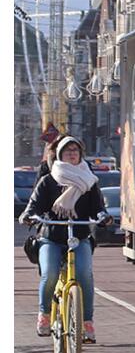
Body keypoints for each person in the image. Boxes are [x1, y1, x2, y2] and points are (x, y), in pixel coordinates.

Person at [21, 136, 108, 342]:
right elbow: (34, 206)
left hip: (79, 236)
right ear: (60, 154)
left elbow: (98, 208)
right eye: (67, 150)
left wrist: (103, 216)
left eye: (75, 150)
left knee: (85, 275)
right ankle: (44, 315)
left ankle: (87, 322)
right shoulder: (49, 180)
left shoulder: (89, 180)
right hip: (51, 237)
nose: (72, 153)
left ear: (80, 155)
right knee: (50, 273)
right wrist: (29, 216)